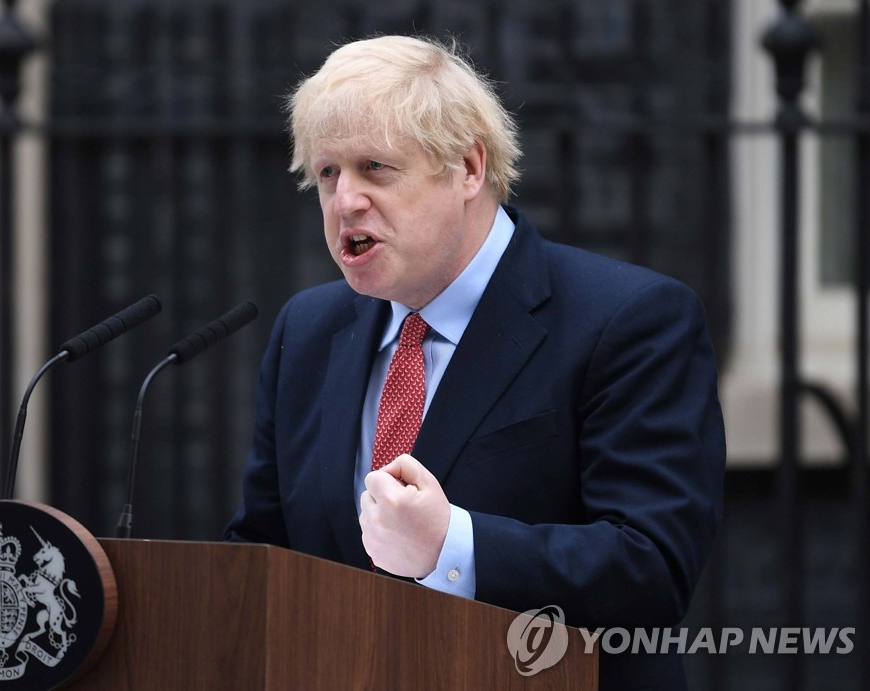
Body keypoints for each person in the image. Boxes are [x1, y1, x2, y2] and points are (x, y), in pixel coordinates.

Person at [224, 34, 724, 690]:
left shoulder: (629, 320)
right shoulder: (309, 331)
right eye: (327, 173)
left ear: (467, 168)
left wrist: (450, 547)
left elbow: (652, 568)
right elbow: (264, 556)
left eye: (375, 166)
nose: (345, 201)